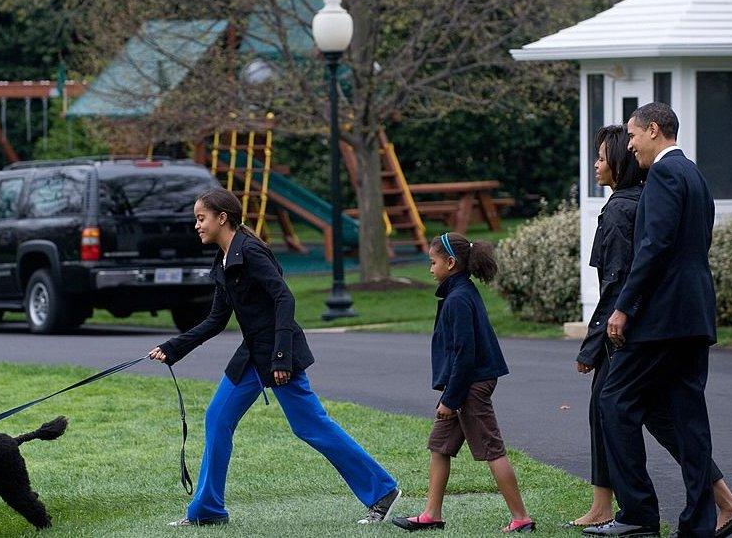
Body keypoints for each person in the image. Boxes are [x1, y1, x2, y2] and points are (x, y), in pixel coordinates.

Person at [148, 187, 401, 527]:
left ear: (222, 218)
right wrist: (172, 348)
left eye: (201, 218)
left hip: (280, 356)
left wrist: (281, 357)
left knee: (311, 426)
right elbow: (215, 321)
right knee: (217, 418)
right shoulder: (224, 258)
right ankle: (207, 510)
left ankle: (382, 491)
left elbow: (285, 300)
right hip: (252, 355)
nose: (197, 225)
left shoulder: (251, 252)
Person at [570, 125, 732, 538]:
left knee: (614, 404)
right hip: (694, 315)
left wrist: (623, 310)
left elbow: (654, 248)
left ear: (653, 130)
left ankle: (637, 515)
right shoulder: (694, 174)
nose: (630, 143)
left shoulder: (665, 175)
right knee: (687, 419)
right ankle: (699, 522)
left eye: (633, 134)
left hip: (662, 320)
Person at [392, 233, 533, 533]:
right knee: (440, 446)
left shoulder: (458, 299)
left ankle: (521, 518)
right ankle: (432, 514)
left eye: (433, 263)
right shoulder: (460, 292)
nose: (430, 269)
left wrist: (450, 400)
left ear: (450, 263)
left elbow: (464, 355)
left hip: (469, 386)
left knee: (492, 448)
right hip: (462, 386)